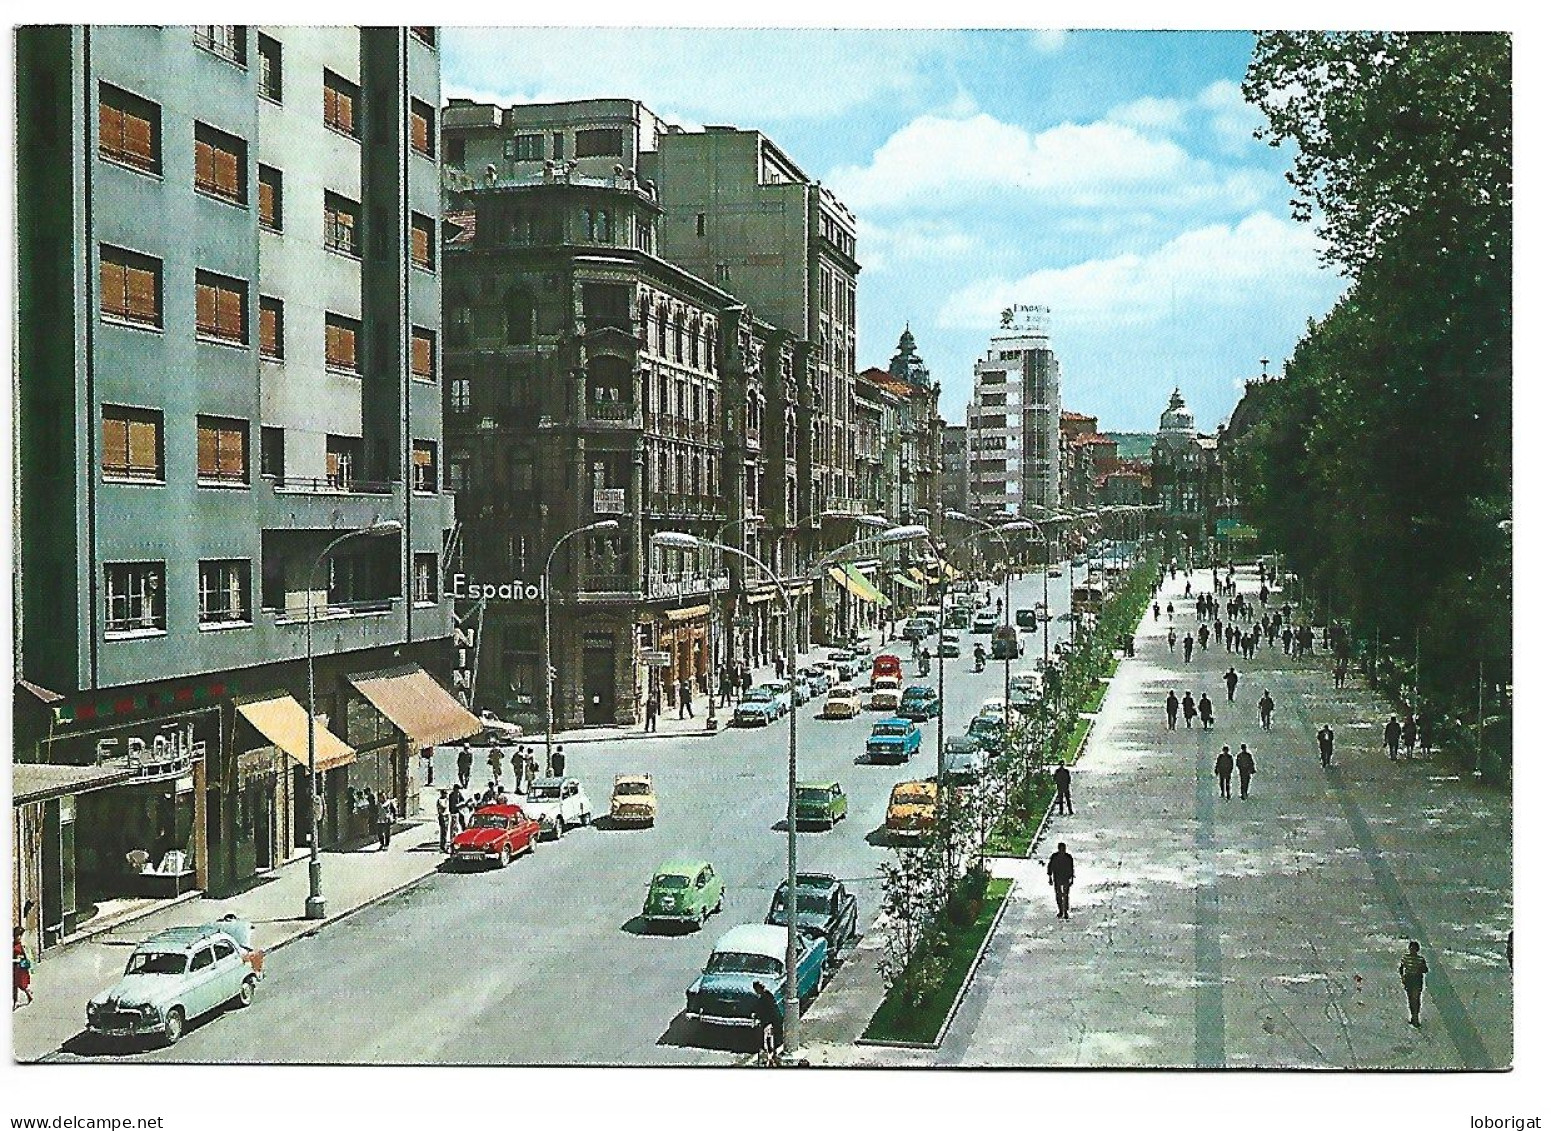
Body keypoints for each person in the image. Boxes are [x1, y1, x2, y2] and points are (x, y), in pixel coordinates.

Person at [1398, 941, 1429, 1026]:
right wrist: (1402, 977)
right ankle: (1413, 1015)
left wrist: (1421, 968)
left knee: (1416, 998)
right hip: (1409, 980)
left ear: (1417, 950)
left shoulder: (1421, 959)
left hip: (1417, 980)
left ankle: (1416, 1016)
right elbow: (1401, 968)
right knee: (1411, 998)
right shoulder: (1405, 958)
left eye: (1414, 949)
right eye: (1411, 948)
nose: (1412, 950)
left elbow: (1425, 970)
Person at [752, 981, 783, 1062]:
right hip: (771, 1021)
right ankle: (772, 1054)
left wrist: (756, 1015)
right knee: (770, 1038)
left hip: (770, 1022)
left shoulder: (764, 998)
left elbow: (765, 1011)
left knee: (769, 1038)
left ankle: (771, 1055)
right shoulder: (767, 996)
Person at [1047, 842, 1075, 919]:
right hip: (1057, 878)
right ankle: (1061, 910)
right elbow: (1050, 867)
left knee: (1065, 895)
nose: (1062, 851)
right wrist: (1050, 877)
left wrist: (1072, 878)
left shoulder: (1068, 857)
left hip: (1066, 878)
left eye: (1063, 849)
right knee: (1059, 894)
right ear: (1058, 849)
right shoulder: (1054, 857)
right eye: (1061, 849)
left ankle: (1065, 911)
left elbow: (1071, 868)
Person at [13, 926, 33, 1009]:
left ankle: (29, 994)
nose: (18, 937)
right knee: (14, 985)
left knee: (22, 985)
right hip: (14, 968)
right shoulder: (13, 944)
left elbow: (25, 957)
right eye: (16, 936)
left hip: (21, 969)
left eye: (19, 936)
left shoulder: (22, 946)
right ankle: (15, 1002)